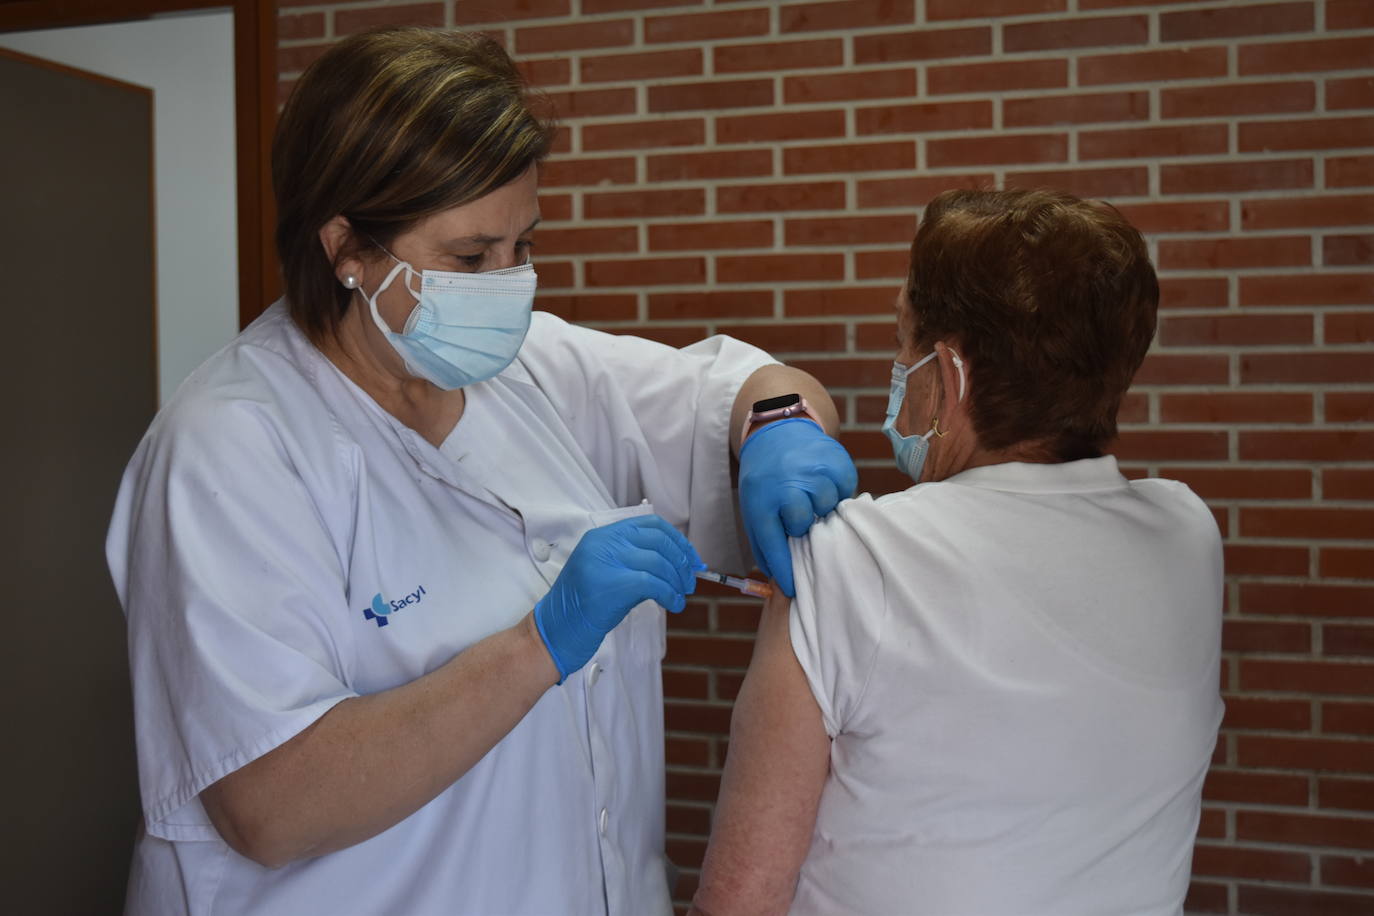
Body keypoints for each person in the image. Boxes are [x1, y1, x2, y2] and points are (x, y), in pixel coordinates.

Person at [106, 27, 857, 916]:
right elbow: (269, 804)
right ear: (346, 246)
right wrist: (538, 646)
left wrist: (778, 427)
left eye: (521, 247)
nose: (509, 286)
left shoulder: (529, 366)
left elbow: (745, 387)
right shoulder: (232, 448)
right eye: (469, 258)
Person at [692, 189, 1224, 916]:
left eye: (904, 340)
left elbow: (740, 900)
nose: (898, 363)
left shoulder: (852, 560)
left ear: (950, 373)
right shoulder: (1188, 535)